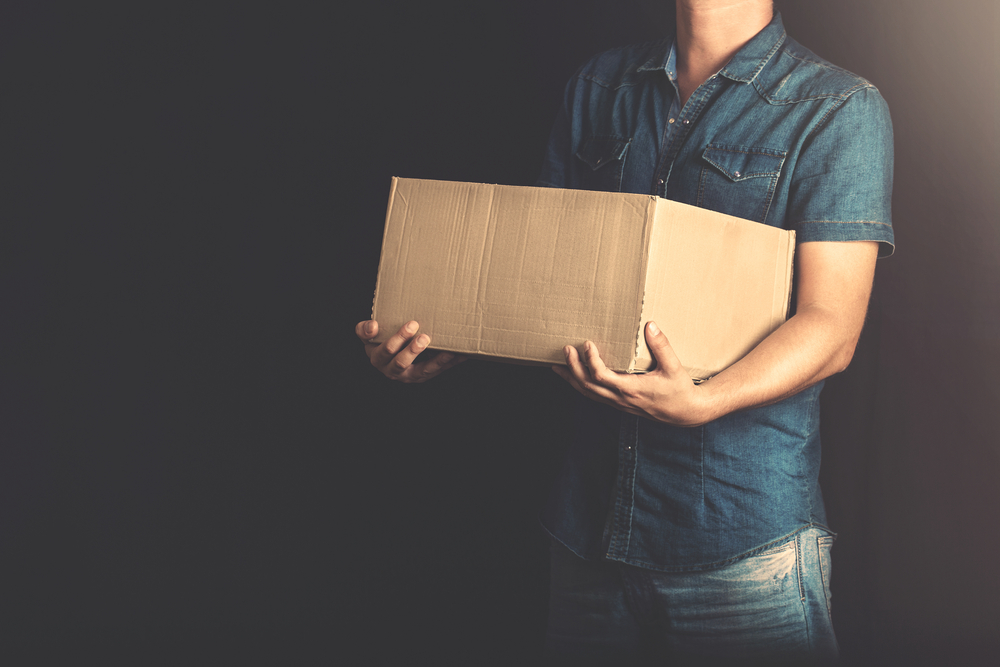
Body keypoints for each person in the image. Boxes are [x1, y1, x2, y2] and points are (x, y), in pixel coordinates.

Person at [357, 0, 893, 662]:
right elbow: (541, 283)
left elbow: (832, 325)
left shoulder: (837, 106)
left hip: (739, 544)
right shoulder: (598, 85)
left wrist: (709, 397)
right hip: (587, 536)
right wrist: (445, 345)